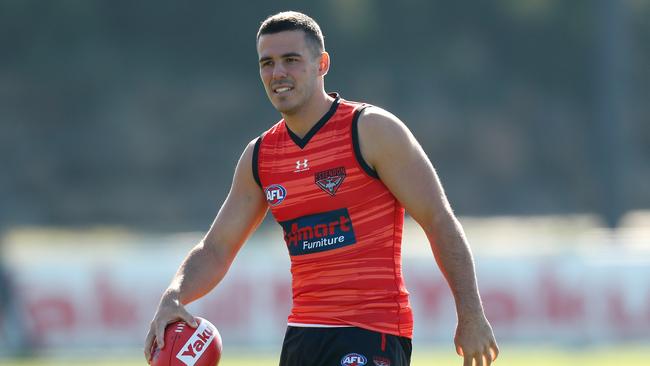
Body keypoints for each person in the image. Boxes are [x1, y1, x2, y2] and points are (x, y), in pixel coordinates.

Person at [144, 11, 499, 366]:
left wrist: (470, 314)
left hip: (371, 330)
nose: (277, 73)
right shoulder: (260, 157)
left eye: (291, 60)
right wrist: (173, 296)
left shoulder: (371, 130)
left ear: (321, 64)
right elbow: (216, 248)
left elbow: (438, 219)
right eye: (267, 63)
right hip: (303, 337)